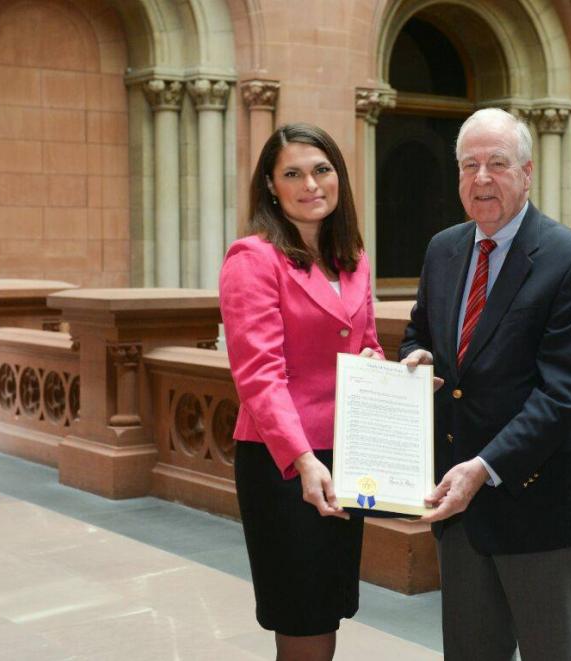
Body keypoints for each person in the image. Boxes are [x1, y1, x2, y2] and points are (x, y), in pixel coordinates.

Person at [400, 108, 571, 661]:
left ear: (527, 171)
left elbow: (564, 392)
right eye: (469, 165)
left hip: (534, 503)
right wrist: (415, 359)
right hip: (460, 511)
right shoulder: (443, 249)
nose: (482, 179)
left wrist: (484, 468)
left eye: (497, 163)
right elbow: (417, 332)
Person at [219, 123, 383, 661]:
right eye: (292, 173)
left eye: (321, 170)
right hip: (284, 464)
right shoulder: (253, 258)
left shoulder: (352, 257)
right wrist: (304, 460)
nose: (310, 184)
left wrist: (390, 375)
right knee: (302, 624)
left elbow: (368, 346)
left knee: (326, 613)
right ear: (271, 185)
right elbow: (258, 374)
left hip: (346, 457)